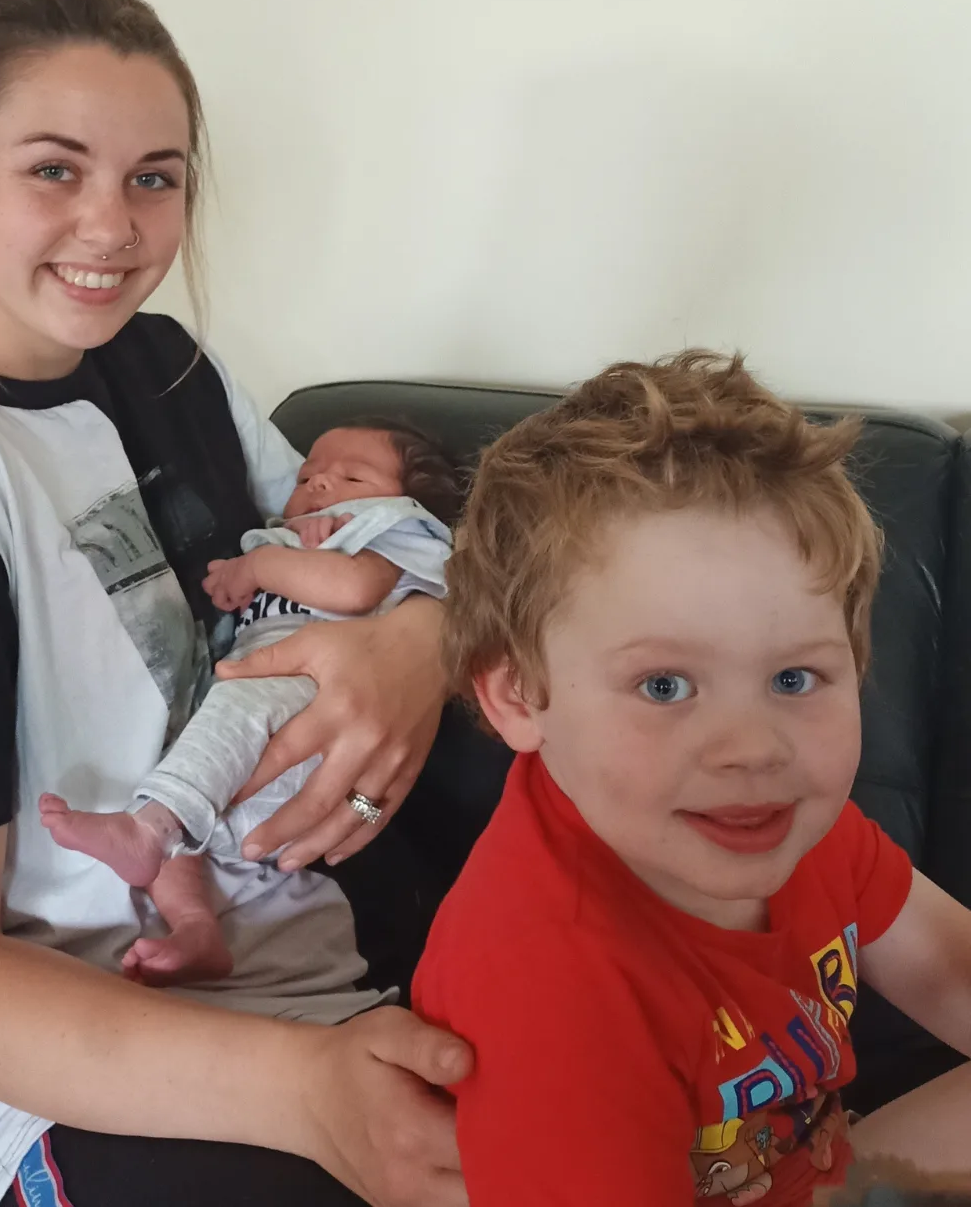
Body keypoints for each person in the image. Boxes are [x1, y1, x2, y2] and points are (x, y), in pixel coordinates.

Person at [0, 0, 471, 1207]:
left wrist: (423, 639)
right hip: (74, 1089)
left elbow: (379, 544)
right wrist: (311, 1089)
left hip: (328, 972)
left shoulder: (157, 361)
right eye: (56, 168)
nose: (116, 226)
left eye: (155, 175)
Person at [412, 351, 971, 1205]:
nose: (752, 749)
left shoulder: (791, 823)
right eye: (664, 686)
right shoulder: (550, 988)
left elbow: (949, 968)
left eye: (795, 679)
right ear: (520, 696)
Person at [39, 420, 459, 989]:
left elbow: (355, 591)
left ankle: (150, 828)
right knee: (177, 774)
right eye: (308, 473)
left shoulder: (394, 531)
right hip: (252, 755)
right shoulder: (279, 535)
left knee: (238, 706)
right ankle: (194, 925)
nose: (318, 483)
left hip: (317, 705)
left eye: (353, 476)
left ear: (408, 500)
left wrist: (259, 568)